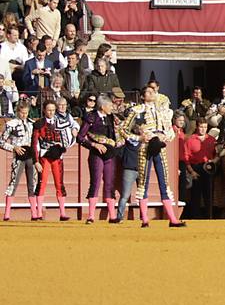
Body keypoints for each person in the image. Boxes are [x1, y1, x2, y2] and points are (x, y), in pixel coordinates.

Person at [118, 85, 186, 228]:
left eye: (153, 91)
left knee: (165, 183)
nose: (152, 93)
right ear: (142, 96)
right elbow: (123, 129)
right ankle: (145, 220)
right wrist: (139, 138)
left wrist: (164, 137)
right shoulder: (136, 110)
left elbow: (170, 131)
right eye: (148, 92)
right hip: (144, 147)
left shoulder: (162, 112)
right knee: (143, 183)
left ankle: (173, 219)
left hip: (159, 147)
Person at [32, 99, 77, 221]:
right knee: (41, 183)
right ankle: (39, 213)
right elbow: (35, 144)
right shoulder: (39, 124)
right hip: (44, 156)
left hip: (57, 156)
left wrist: (65, 145)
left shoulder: (60, 122)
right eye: (49, 110)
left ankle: (62, 213)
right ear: (44, 110)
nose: (51, 112)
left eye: (53, 110)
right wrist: (36, 161)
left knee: (59, 184)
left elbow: (71, 133)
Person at [79, 94, 121, 224]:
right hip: (96, 154)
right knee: (95, 182)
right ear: (103, 107)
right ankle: (91, 216)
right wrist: (94, 144)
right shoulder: (91, 117)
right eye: (109, 106)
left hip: (110, 154)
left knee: (110, 183)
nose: (112, 108)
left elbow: (115, 135)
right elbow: (80, 137)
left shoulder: (111, 118)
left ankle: (112, 216)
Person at [1, 99, 38, 220]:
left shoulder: (32, 124)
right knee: (13, 184)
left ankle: (34, 213)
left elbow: (35, 142)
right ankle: (6, 214)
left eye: (26, 113)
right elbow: (1, 142)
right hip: (18, 158)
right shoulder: (11, 124)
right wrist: (14, 147)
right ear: (17, 112)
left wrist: (37, 158)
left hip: (31, 157)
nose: (24, 115)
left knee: (32, 184)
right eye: (22, 113)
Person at [180, 117, 217, 219]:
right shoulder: (190, 139)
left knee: (208, 193)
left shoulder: (211, 140)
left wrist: (213, 161)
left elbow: (216, 155)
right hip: (195, 167)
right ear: (197, 127)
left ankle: (209, 216)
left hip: (208, 167)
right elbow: (186, 156)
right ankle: (195, 216)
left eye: (205, 127)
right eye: (201, 127)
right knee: (195, 194)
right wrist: (191, 171)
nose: (203, 129)